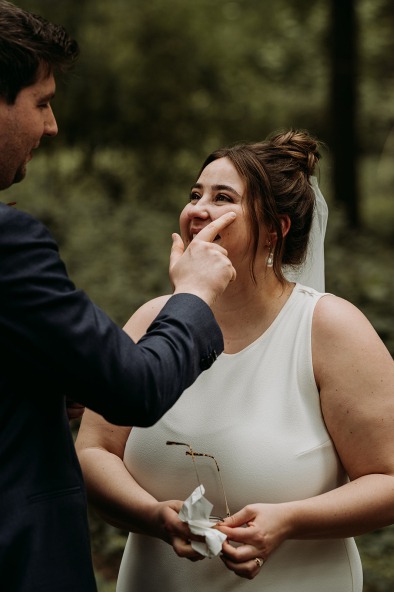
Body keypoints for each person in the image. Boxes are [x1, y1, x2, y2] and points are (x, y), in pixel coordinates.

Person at [76, 129, 394, 592]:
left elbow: (388, 477)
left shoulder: (328, 328)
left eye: (222, 197)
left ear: (275, 229)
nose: (197, 209)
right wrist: (153, 516)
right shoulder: (151, 320)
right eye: (194, 194)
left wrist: (288, 520)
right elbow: (93, 449)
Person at [0, 2, 237, 591]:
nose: (51, 126)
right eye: (42, 102)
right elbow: (135, 388)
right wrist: (195, 295)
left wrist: (37, 388)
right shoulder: (9, 241)